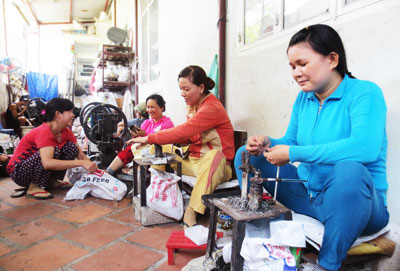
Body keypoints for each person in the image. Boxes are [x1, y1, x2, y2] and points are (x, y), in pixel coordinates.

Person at [234, 24, 389, 271]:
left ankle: (327, 264)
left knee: (350, 171)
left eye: (302, 64)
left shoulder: (365, 94)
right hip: (308, 196)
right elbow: (292, 142)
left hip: (357, 204)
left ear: (332, 59)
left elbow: (364, 148)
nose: (296, 73)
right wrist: (268, 144)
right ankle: (260, 230)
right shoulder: (304, 98)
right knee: (247, 155)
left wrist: (293, 153)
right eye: (292, 67)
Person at [130, 65, 234, 229]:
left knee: (216, 156)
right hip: (193, 161)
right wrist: (153, 140)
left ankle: (192, 210)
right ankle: (160, 194)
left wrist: (150, 137)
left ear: (201, 88)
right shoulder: (193, 106)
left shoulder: (211, 107)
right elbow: (187, 136)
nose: (182, 94)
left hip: (215, 167)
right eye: (181, 89)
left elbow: (184, 130)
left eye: (186, 89)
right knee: (158, 148)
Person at [6, 98, 98, 199]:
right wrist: (81, 163)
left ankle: (52, 181)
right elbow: (47, 163)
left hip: (33, 167)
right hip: (19, 172)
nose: (73, 115)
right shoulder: (44, 131)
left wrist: (96, 172)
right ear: (58, 114)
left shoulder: (65, 132)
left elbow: (81, 155)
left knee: (70, 148)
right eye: (70, 111)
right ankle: (34, 186)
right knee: (54, 151)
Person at [106, 94, 174, 176]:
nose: (149, 110)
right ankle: (109, 172)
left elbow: (161, 140)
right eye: (148, 107)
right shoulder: (147, 123)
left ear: (162, 107)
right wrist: (135, 135)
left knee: (138, 151)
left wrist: (144, 135)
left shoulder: (167, 123)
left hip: (159, 153)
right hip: (144, 149)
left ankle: (139, 181)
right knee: (131, 148)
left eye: (153, 107)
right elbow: (140, 139)